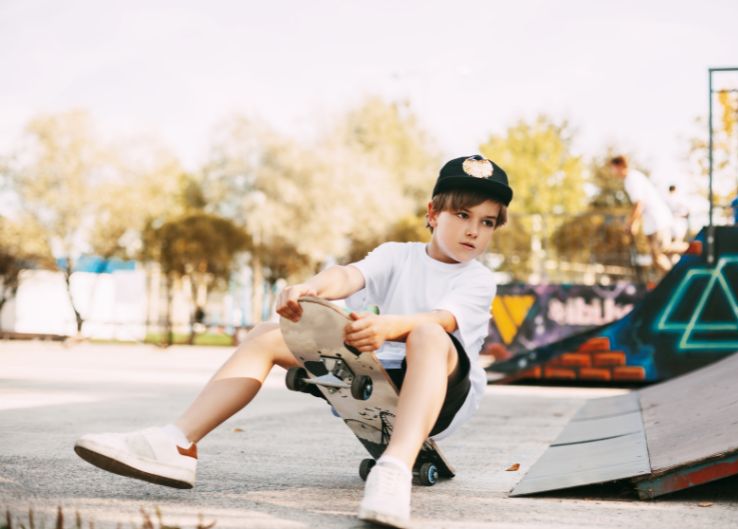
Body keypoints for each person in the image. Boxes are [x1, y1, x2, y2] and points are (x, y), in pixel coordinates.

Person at [74, 154, 513, 529]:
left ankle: (393, 470)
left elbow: (440, 319)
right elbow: (348, 275)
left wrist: (389, 327)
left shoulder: (477, 280)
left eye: (486, 222)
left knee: (426, 333)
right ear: (434, 213)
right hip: (381, 371)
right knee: (267, 334)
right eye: (462, 215)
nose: (473, 230)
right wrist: (311, 289)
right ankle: (177, 442)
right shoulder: (396, 255)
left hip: (441, 394)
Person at [609, 155, 674, 273]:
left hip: (657, 220)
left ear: (619, 166)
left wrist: (629, 223)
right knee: (657, 258)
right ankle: (674, 278)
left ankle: (694, 248)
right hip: (652, 222)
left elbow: (639, 204)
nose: (611, 171)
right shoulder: (632, 178)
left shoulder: (631, 179)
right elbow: (640, 207)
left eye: (612, 168)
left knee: (662, 250)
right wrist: (635, 224)